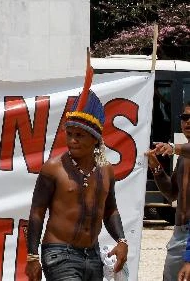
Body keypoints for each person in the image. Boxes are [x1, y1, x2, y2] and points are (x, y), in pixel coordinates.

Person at [26, 58, 128, 281]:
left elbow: (110, 209)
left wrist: (122, 241)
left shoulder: (106, 171)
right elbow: (36, 212)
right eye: (69, 133)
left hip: (93, 255)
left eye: (79, 135)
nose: (72, 140)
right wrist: (32, 256)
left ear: (95, 139)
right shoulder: (53, 168)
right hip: (59, 253)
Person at [148, 102, 190, 280]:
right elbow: (171, 193)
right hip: (180, 232)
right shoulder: (183, 158)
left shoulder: (182, 151)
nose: (188, 121)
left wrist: (173, 147)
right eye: (185, 117)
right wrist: (156, 167)